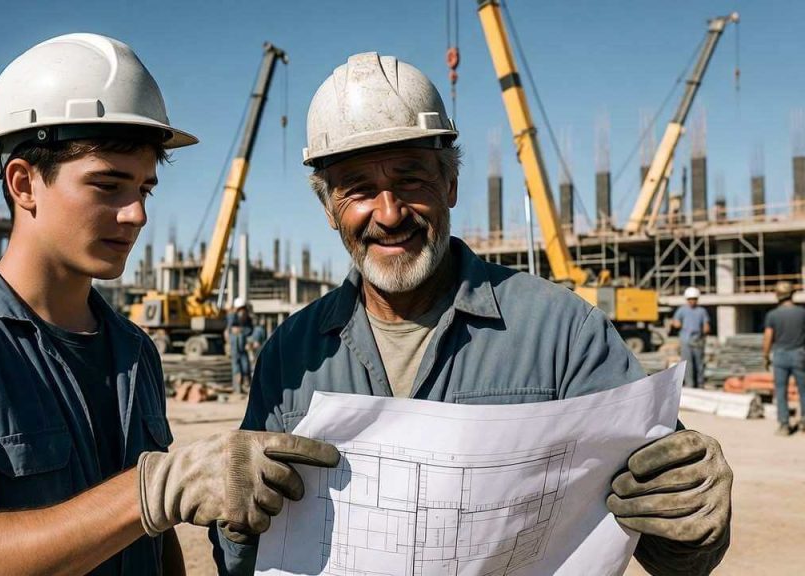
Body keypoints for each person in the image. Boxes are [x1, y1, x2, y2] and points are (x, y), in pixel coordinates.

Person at [211, 52, 732, 576]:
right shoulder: (293, 353)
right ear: (329, 209)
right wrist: (234, 524)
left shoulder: (562, 335)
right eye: (360, 189)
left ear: (450, 186)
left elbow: (670, 547)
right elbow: (252, 556)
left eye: (412, 180)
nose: (389, 214)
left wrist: (692, 514)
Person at [0, 34, 339, 576]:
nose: (136, 214)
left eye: (144, 189)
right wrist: (153, 490)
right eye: (108, 186)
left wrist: (157, 508)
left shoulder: (134, 351)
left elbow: (154, 547)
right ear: (23, 183)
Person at [762, 281, 805, 436]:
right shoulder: (801, 312)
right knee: (803, 390)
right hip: (800, 355)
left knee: (781, 391)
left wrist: (765, 356)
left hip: (780, 355)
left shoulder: (773, 315)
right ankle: (804, 423)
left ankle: (784, 425)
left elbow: (768, 337)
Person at [672, 287, 711, 388]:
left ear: (697, 299)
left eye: (694, 299)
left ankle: (700, 384)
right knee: (687, 364)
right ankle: (690, 385)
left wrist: (705, 329)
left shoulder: (702, 311)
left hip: (698, 340)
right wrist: (677, 323)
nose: (692, 301)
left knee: (699, 364)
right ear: (687, 300)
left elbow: (706, 324)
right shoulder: (682, 310)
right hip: (686, 341)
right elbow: (675, 321)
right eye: (690, 299)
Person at [226, 297, 254, 393]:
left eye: (243, 309)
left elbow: (250, 330)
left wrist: (242, 331)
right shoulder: (232, 317)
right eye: (240, 309)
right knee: (236, 368)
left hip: (243, 348)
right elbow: (230, 329)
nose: (242, 312)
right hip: (235, 349)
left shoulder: (247, 321)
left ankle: (247, 386)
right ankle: (237, 388)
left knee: (246, 367)